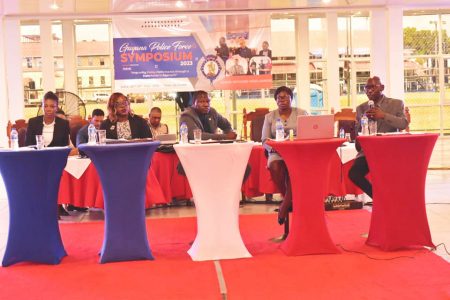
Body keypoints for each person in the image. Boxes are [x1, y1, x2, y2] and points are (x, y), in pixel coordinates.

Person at [348, 76, 409, 201]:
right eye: (367, 88)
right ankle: (380, 198)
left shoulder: (396, 103)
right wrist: (359, 126)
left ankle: (389, 200)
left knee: (387, 178)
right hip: (368, 152)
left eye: (373, 87)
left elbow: (403, 124)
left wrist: (383, 115)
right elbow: (358, 144)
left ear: (382, 87)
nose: (369, 91)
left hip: (388, 151)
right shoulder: (361, 108)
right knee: (354, 174)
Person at [261, 86, 308, 225]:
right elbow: (264, 140)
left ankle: (284, 205)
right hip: (277, 152)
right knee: (273, 166)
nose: (282, 100)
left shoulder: (302, 113)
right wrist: (275, 148)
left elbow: (308, 134)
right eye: (279, 97)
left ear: (291, 99)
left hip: (297, 152)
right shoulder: (269, 116)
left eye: (285, 96)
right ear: (275, 101)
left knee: (296, 171)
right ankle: (289, 199)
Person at [25, 91, 72, 217]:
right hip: (37, 160)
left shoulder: (63, 124)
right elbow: (28, 144)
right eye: (46, 106)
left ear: (57, 107)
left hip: (55, 162)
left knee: (54, 178)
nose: (49, 109)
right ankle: (39, 210)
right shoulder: (33, 122)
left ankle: (54, 210)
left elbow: (64, 146)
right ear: (42, 106)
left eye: (52, 106)